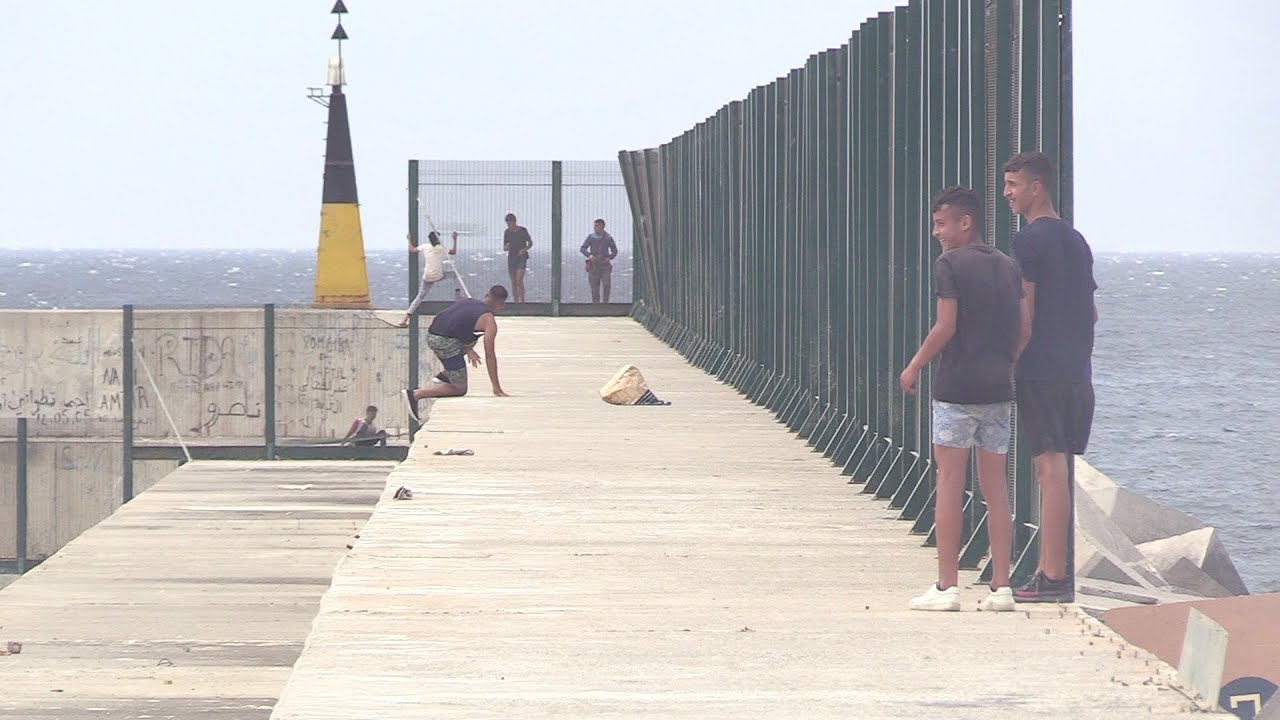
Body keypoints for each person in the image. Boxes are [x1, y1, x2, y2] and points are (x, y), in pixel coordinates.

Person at [899, 186, 1030, 613]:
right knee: (996, 488)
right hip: (997, 392)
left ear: (965, 223)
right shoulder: (1007, 266)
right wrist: (1007, 363)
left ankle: (947, 586)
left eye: (941, 224)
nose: (936, 233)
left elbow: (946, 326)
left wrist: (915, 364)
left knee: (950, 485)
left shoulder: (949, 264)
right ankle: (1002, 587)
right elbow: (1024, 325)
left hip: (956, 391)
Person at [1002, 152, 1097, 604]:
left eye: (1013, 184)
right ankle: (1054, 569)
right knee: (1059, 465)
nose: (1007, 193)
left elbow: (1026, 311)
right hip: (1077, 371)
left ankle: (1052, 575)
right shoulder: (1077, 241)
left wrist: (1011, 361)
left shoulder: (1029, 241)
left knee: (1048, 468)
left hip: (1041, 368)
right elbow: (1091, 312)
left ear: (1036, 187)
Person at [402, 285, 510, 424]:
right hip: (444, 342)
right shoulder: (489, 321)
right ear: (501, 305)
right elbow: (490, 355)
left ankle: (444, 376)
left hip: (432, 333)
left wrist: (468, 349)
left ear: (486, 295)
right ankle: (415, 395)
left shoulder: (469, 301)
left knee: (471, 338)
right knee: (460, 389)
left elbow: (456, 324)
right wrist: (497, 388)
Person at [400, 230, 461, 327]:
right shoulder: (441, 248)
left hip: (427, 277)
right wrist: (455, 239)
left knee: (419, 297)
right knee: (454, 274)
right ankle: (458, 295)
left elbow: (412, 250)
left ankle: (404, 319)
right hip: (438, 276)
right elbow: (453, 252)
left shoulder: (425, 247)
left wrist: (408, 239)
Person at [580, 218, 619, 304]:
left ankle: (605, 304)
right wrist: (590, 255)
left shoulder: (608, 238)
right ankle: (595, 305)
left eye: (596, 226)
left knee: (606, 284)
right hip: (594, 266)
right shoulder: (591, 237)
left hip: (605, 266)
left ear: (602, 226)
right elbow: (583, 248)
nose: (594, 227)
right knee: (594, 288)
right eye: (594, 226)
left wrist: (610, 257)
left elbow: (615, 250)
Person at [502, 213, 532, 303]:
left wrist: (524, 249)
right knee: (514, 282)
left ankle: (522, 301)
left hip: (521, 257)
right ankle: (516, 302)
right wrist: (507, 247)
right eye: (507, 223)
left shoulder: (523, 231)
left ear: (514, 222)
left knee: (519, 280)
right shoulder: (507, 232)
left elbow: (530, 243)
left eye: (510, 223)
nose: (509, 225)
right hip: (512, 257)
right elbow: (504, 247)